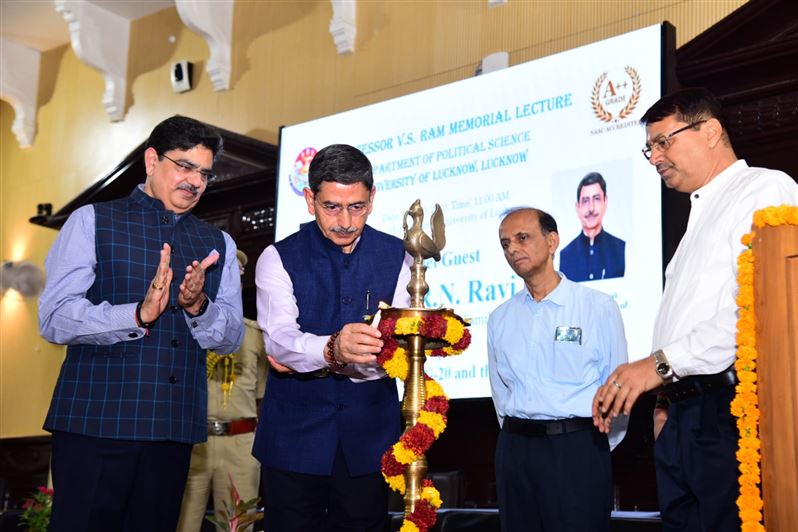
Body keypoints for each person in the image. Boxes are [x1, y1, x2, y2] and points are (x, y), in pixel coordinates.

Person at [592, 87, 798, 531]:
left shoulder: (763, 187)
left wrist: (660, 366)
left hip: (730, 410)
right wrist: (668, 404)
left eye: (664, 141)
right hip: (685, 413)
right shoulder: (697, 215)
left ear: (710, 131)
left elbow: (756, 307)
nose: (656, 158)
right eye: (650, 148)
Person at [38, 115, 244, 532]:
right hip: (94, 426)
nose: (195, 181)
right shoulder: (92, 220)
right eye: (184, 166)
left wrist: (197, 305)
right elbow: (54, 317)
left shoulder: (219, 244)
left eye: (204, 173)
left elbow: (232, 336)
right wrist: (136, 314)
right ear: (152, 161)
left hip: (172, 430)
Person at [253, 144, 412, 532]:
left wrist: (378, 358)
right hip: (293, 440)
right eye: (331, 207)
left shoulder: (402, 256)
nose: (345, 220)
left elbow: (404, 344)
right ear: (309, 199)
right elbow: (279, 340)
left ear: (372, 198)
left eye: (356, 206)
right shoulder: (277, 257)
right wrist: (332, 349)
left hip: (369, 439)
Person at [488, 207, 628, 532]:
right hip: (515, 450)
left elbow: (617, 388)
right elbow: (500, 393)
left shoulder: (598, 308)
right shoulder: (499, 318)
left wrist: (590, 447)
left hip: (576, 450)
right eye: (505, 243)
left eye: (522, 238)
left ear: (552, 242)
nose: (512, 249)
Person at [177, 249, 268, 532]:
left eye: (232, 281)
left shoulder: (255, 335)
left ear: (240, 286)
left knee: (238, 526)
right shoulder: (183, 332)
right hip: (194, 442)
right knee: (183, 523)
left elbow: (263, 398)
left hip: (241, 443)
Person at [559, 172, 625, 281]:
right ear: (577, 207)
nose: (591, 208)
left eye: (596, 199)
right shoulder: (565, 255)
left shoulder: (620, 248)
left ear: (605, 202)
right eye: (585, 201)